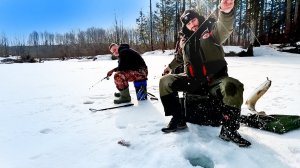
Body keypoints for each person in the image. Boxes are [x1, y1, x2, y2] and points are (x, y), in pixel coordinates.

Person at [159, 0, 251, 147]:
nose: (193, 24)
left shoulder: (211, 30)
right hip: (192, 80)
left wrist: (225, 12)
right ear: (185, 26)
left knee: (232, 85)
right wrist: (169, 68)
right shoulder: (184, 40)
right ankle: (178, 118)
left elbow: (225, 28)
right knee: (165, 82)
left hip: (215, 81)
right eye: (188, 23)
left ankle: (229, 130)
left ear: (198, 18)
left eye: (194, 20)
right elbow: (179, 58)